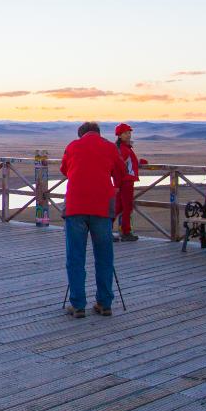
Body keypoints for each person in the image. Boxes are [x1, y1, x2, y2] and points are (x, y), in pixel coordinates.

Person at [59, 121, 127, 318]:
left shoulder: (73, 146)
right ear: (98, 133)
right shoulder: (109, 147)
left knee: (75, 257)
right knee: (105, 256)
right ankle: (104, 303)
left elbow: (65, 170)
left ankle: (78, 305)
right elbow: (121, 174)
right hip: (102, 207)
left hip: (75, 207)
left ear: (81, 135)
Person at [113, 123, 148, 241]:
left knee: (119, 207)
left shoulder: (124, 148)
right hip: (125, 182)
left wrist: (139, 163)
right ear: (119, 135)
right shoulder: (123, 149)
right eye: (125, 133)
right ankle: (126, 232)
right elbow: (118, 168)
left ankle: (105, 229)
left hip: (123, 181)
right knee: (127, 207)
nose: (128, 135)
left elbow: (127, 164)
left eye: (129, 133)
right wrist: (117, 184)